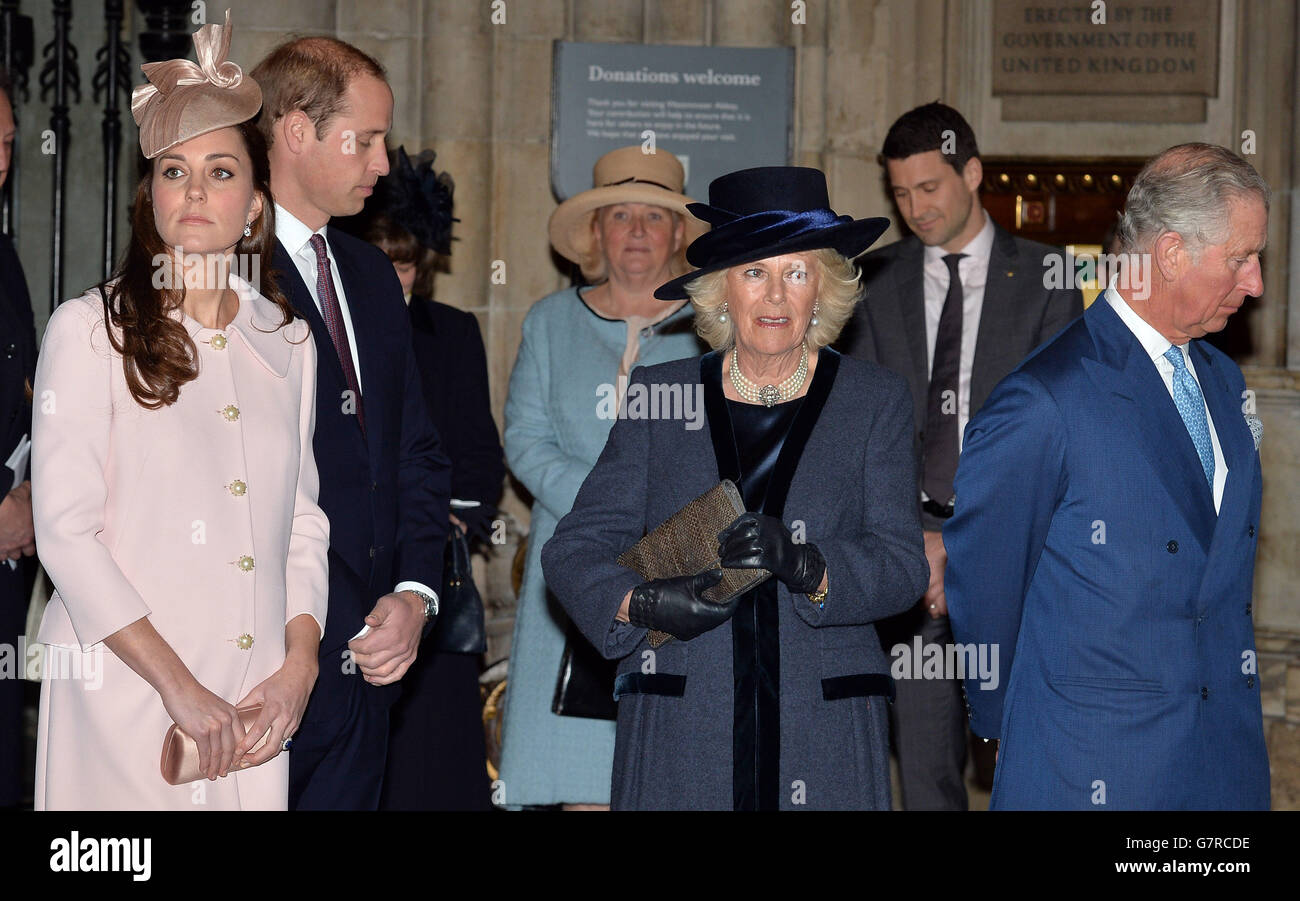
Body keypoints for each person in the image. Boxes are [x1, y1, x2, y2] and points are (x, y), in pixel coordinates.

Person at [543, 166, 929, 810]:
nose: (775, 296)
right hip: (684, 724)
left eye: (796, 273)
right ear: (721, 291)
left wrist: (812, 565)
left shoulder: (873, 401)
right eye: (754, 273)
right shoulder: (659, 395)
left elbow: (902, 566)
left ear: (822, 290)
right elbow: (572, 550)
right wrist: (639, 604)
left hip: (823, 725)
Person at [29, 13, 329, 810]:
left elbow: (302, 525)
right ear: (149, 193)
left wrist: (299, 667)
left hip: (254, 702)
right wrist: (178, 685)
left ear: (257, 205)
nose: (194, 192)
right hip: (127, 693)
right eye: (173, 170)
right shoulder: (90, 329)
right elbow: (64, 531)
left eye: (221, 172)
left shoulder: (289, 342)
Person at [945, 143, 1271, 810]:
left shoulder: (1222, 379)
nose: (1257, 283)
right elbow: (985, 585)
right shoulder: (1043, 401)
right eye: (1240, 258)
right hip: (1093, 770)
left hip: (1223, 771)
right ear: (1173, 254)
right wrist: (1023, 733)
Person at [840, 101, 1082, 809]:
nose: (914, 208)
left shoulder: (1047, 276)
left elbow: (1052, 434)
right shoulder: (871, 279)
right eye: (900, 192)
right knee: (923, 767)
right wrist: (916, 538)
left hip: (1015, 554)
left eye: (929, 187)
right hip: (906, 553)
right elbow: (862, 426)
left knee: (1031, 760)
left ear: (971, 172)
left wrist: (969, 537)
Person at [250, 38, 452, 811]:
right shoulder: (226, 269)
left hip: (367, 675)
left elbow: (417, 455)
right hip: (263, 662)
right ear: (295, 130)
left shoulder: (369, 274)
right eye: (363, 140)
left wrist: (413, 593)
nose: (381, 163)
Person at [498, 145, 707, 808]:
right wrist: (612, 517)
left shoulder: (712, 331)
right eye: (621, 215)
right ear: (596, 232)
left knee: (672, 771)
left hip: (681, 567)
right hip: (571, 577)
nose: (639, 231)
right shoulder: (550, 323)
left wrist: (663, 524)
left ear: (679, 234)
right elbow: (527, 446)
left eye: (655, 216)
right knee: (582, 779)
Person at [347, 148, 503, 811]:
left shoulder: (454, 333)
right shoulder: (317, 332)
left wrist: (435, 520)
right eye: (379, 257)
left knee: (433, 771)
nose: (392, 275)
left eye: (405, 261)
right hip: (341, 573)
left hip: (430, 579)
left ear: (427, 263)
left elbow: (479, 461)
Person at [0, 67, 37, 809]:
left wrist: (34, 495)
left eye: (6, 143)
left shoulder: (3, 258)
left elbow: (31, 398)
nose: (1, 160)